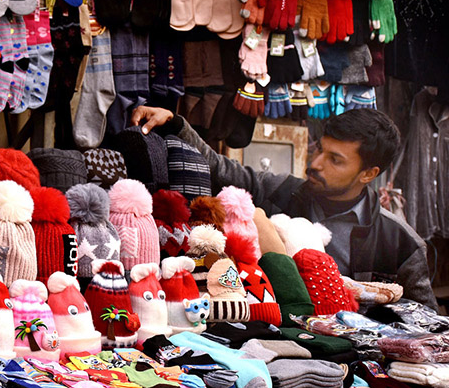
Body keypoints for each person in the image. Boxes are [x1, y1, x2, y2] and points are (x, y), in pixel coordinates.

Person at [130, 104, 438, 310]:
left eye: (335, 160)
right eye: (320, 149)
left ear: (369, 174)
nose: (315, 164)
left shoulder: (400, 242)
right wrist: (175, 123)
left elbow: (425, 324)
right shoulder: (286, 192)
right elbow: (221, 169)